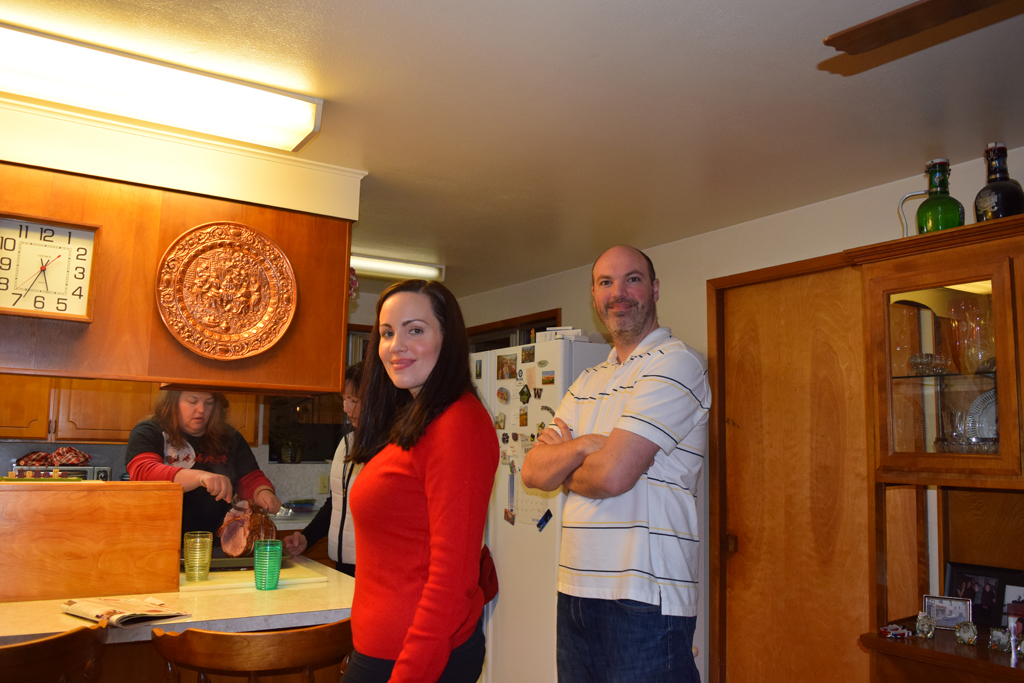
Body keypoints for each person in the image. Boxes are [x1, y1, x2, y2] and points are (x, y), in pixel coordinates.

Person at [521, 245, 710, 683]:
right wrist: (587, 444)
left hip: (643, 596)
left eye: (632, 279)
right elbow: (532, 471)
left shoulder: (676, 363)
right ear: (593, 296)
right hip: (574, 591)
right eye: (606, 282)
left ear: (655, 289)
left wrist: (566, 464)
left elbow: (613, 475)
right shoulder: (589, 381)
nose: (618, 292)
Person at [341, 279, 498, 683]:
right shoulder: (417, 420)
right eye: (388, 333)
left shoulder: (458, 424)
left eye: (416, 330)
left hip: (415, 658)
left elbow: (453, 576)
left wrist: (411, 673)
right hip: (383, 648)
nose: (397, 346)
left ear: (448, 339)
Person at [125, 391, 282, 541]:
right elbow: (143, 471)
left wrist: (263, 492)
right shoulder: (150, 431)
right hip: (158, 540)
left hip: (218, 541)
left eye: (209, 403)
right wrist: (200, 477)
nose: (201, 409)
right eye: (192, 401)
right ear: (173, 401)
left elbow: (250, 478)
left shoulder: (228, 437)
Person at [283, 363, 364, 577]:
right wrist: (307, 537)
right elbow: (337, 502)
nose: (346, 408)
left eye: (354, 401)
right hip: (344, 565)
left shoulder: (390, 449)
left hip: (374, 568)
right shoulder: (347, 443)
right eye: (344, 399)